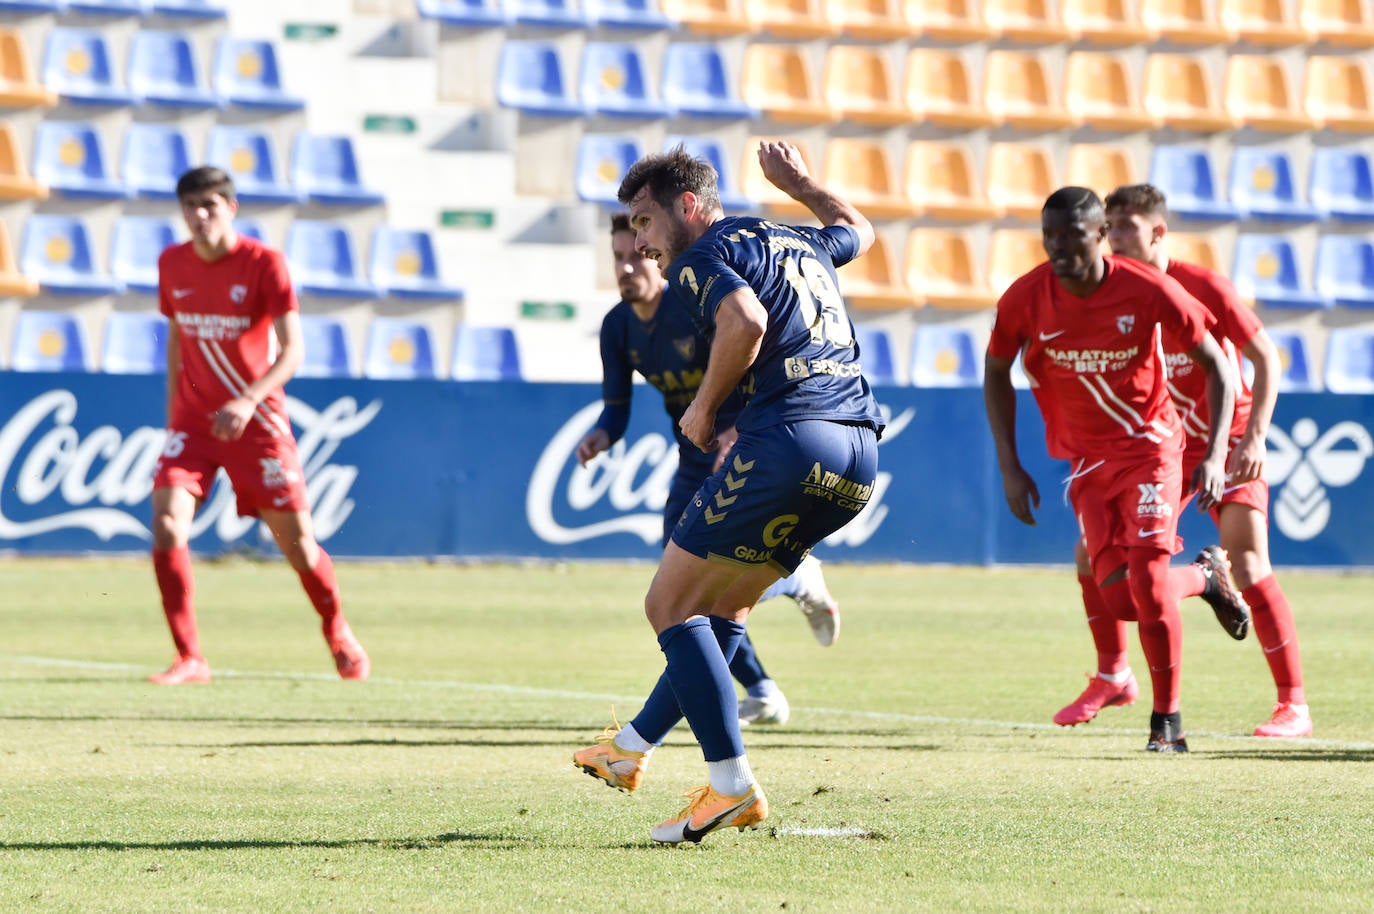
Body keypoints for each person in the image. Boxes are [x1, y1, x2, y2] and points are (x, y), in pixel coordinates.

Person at [573, 142, 884, 843]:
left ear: (689, 207)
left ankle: (730, 788)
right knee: (717, 610)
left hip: (790, 438)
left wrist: (706, 407)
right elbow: (861, 231)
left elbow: (745, 321)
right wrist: (801, 183)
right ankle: (630, 749)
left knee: (668, 602)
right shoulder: (791, 237)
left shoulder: (701, 258)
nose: (643, 243)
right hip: (859, 451)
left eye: (647, 222)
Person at [984, 186, 1245, 753]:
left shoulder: (1148, 289)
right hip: (1087, 463)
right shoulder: (1026, 297)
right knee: (1122, 601)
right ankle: (1204, 577)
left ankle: (1167, 722)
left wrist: (1217, 452)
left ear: (1100, 237)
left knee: (1148, 589)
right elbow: (996, 371)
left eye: (1071, 236)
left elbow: (1218, 366)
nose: (1058, 248)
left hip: (1151, 450)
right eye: (1049, 236)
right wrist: (1010, 464)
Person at [1054, 183, 1308, 738]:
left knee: (1249, 559)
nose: (1113, 238)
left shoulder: (1203, 286)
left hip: (1226, 433)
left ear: (1158, 232)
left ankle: (1294, 704)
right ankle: (1114, 674)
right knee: (1088, 557)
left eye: (1125, 228)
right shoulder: (1113, 290)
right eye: (1109, 228)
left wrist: (1253, 439)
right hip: (1164, 445)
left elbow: (1266, 358)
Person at [575, 213, 843, 728]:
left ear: (653, 254)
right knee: (680, 588)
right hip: (693, 457)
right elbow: (617, 409)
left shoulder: (690, 302)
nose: (627, 266)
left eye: (636, 253)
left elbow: (752, 350)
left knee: (697, 589)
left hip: (751, 443)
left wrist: (741, 428)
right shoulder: (617, 325)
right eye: (617, 257)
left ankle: (793, 581)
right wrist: (601, 437)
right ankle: (763, 687)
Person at [147, 165, 370, 685]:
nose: (200, 216)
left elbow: (293, 352)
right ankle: (190, 657)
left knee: (298, 547)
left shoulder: (263, 263)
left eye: (210, 205)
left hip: (258, 421)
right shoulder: (171, 263)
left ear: (231, 207)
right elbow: (179, 337)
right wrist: (173, 415)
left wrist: (247, 401)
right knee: (166, 522)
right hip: (195, 423)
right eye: (190, 207)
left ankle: (337, 630)